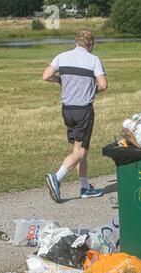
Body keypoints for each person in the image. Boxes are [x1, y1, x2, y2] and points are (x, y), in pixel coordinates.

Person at [42, 29, 108, 203]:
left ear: (76, 41)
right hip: (84, 111)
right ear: (90, 43)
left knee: (80, 150)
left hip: (67, 110)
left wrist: (60, 80)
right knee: (79, 152)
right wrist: (91, 89)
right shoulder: (93, 60)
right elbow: (103, 85)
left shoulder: (62, 56)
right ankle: (56, 177)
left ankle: (85, 187)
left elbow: (46, 75)